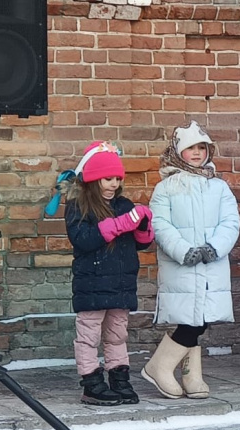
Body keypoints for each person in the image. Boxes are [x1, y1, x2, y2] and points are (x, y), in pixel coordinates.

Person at [142, 121, 240, 399]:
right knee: (190, 319)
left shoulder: (218, 187)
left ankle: (191, 376)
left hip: (211, 264)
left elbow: (230, 222)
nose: (197, 153)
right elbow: (161, 225)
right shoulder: (167, 188)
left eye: (201, 147)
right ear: (177, 151)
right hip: (182, 265)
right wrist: (183, 250)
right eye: (190, 148)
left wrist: (214, 247)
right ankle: (158, 366)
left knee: (201, 319)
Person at [64, 141, 155, 406]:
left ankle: (119, 379)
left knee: (117, 335)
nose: (114, 183)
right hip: (91, 283)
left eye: (117, 178)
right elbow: (83, 240)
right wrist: (118, 224)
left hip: (121, 283)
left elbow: (140, 243)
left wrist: (143, 226)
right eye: (108, 178)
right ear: (93, 179)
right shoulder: (79, 206)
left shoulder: (124, 204)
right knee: (89, 336)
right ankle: (92, 383)